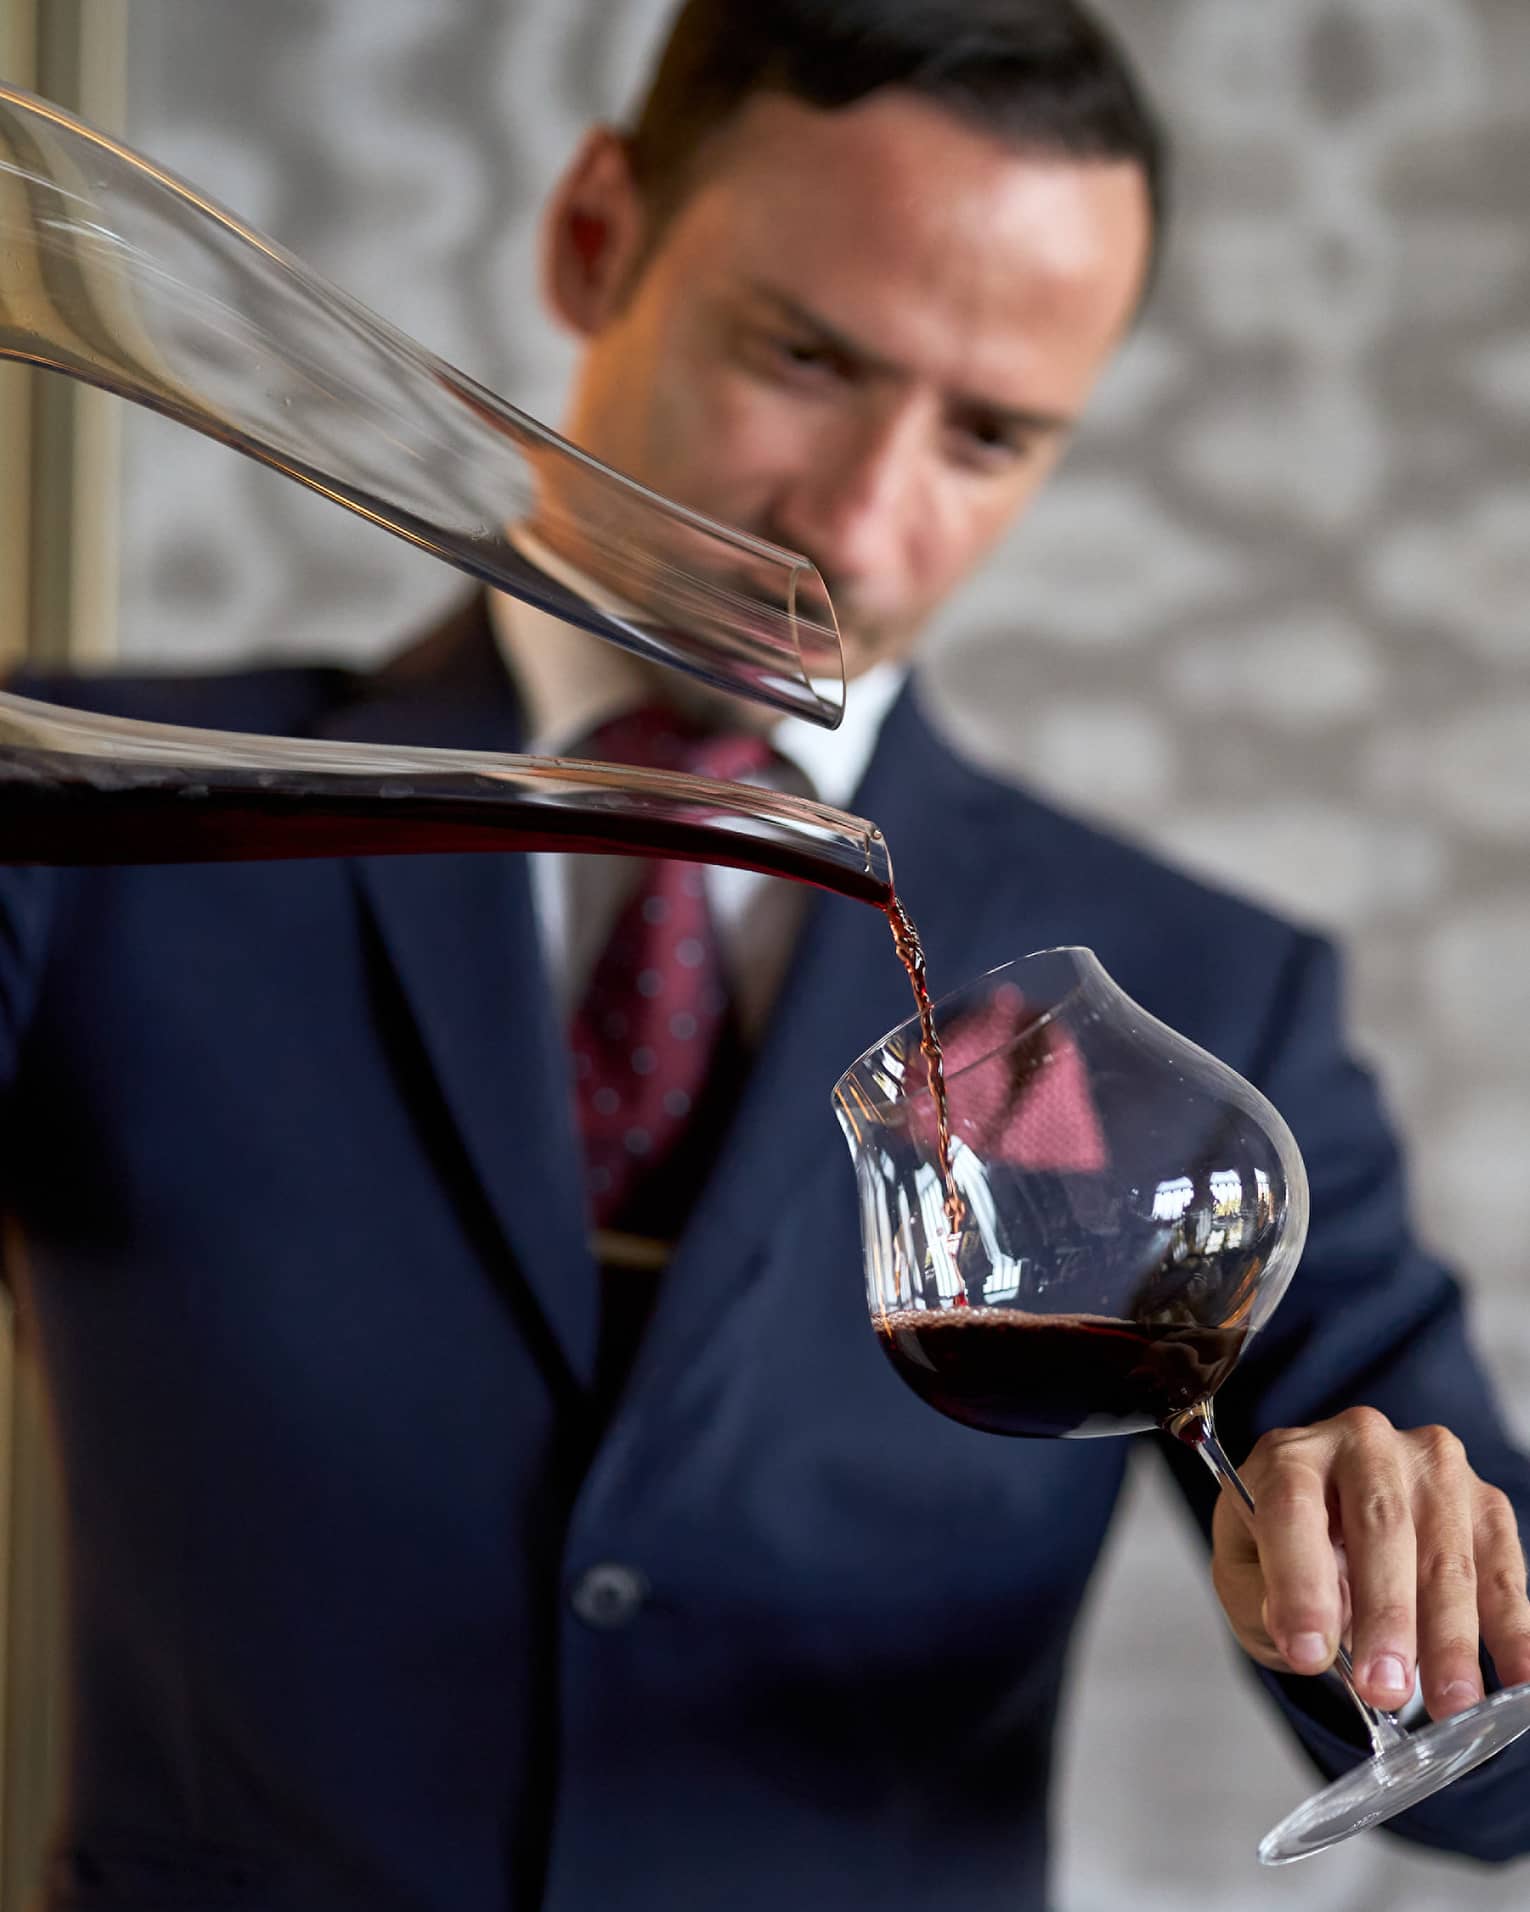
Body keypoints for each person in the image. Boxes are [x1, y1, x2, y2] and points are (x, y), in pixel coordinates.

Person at [5, 3, 1530, 1908]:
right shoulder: (83, 828)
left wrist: (1414, 1588)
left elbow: (1501, 1789)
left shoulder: (1213, 986)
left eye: (988, 435)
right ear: (591, 240)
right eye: (804, 355)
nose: (862, 526)